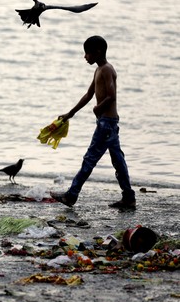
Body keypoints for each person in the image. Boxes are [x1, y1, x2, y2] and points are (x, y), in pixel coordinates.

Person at [51, 36, 136, 210]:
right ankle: (128, 197)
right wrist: (70, 114)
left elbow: (111, 95)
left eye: (87, 53)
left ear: (97, 52)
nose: (85, 57)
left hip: (106, 124)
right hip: (109, 123)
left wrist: (98, 108)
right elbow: (88, 95)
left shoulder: (106, 70)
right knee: (118, 161)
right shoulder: (98, 70)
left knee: (89, 159)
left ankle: (71, 195)